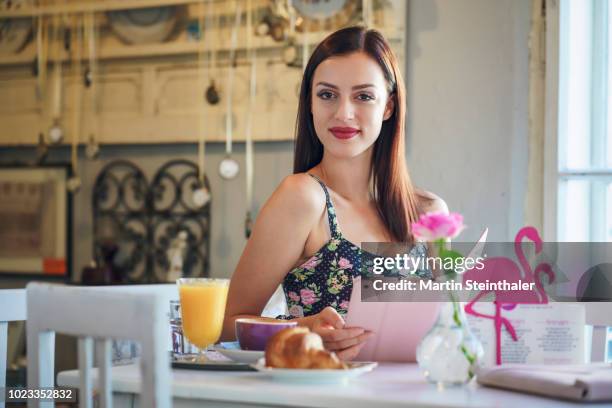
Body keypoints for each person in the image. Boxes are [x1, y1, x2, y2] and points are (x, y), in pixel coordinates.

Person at [221, 26, 447, 360]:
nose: (343, 113)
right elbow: (226, 325)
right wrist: (302, 329)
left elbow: (452, 326)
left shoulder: (429, 212)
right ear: (310, 103)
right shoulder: (303, 198)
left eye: (363, 96)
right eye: (327, 95)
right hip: (324, 392)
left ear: (388, 107)